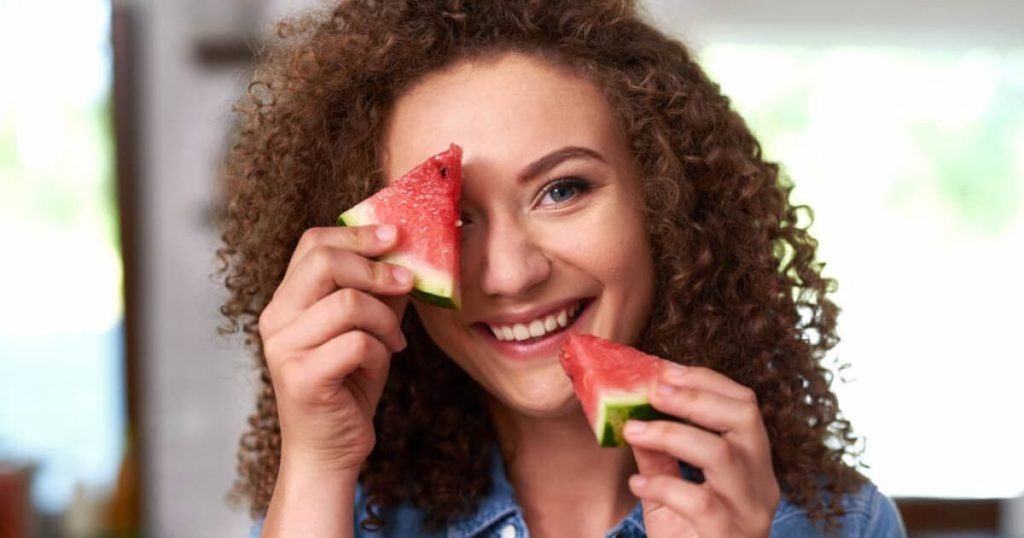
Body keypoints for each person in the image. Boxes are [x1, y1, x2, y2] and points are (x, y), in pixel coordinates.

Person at [217, 1, 906, 536]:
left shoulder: (839, 524)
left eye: (563, 190)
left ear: (663, 202)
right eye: (452, 218)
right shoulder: (338, 510)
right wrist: (315, 466)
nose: (511, 275)